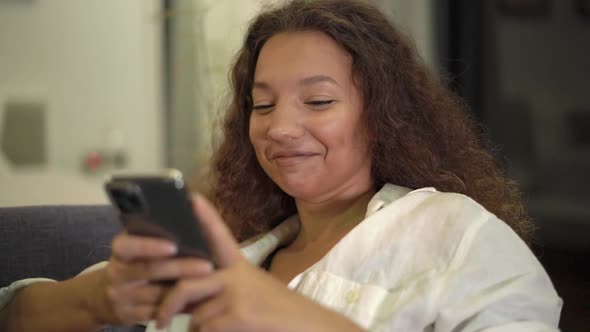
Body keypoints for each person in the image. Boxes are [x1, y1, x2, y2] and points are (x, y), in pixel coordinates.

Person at [0, 0, 562, 331]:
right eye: (262, 105)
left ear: (384, 116)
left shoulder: (450, 230)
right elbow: (15, 310)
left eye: (317, 101)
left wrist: (283, 315)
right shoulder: (239, 247)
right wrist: (98, 299)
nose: (280, 127)